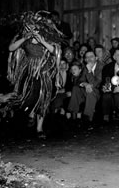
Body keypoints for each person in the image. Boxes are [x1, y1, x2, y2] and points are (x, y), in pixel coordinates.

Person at [7, 11, 62, 139]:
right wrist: (25, 38)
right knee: (28, 97)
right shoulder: (24, 38)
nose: (32, 29)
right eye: (29, 26)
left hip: (43, 71)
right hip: (29, 72)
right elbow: (11, 48)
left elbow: (55, 51)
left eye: (34, 26)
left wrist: (42, 41)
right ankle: (30, 114)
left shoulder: (46, 37)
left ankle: (39, 128)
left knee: (43, 99)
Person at [67, 50, 104, 129]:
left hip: (98, 92)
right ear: (85, 60)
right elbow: (79, 80)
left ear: (96, 58)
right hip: (87, 90)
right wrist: (85, 84)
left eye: (91, 57)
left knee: (90, 91)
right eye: (87, 57)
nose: (89, 59)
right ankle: (74, 116)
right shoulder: (85, 67)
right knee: (75, 88)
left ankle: (88, 119)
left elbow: (96, 83)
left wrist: (90, 71)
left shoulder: (101, 67)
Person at [101, 47, 119, 124]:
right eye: (118, 56)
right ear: (114, 57)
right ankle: (106, 117)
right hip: (110, 91)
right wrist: (104, 87)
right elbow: (104, 81)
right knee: (106, 95)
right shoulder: (107, 67)